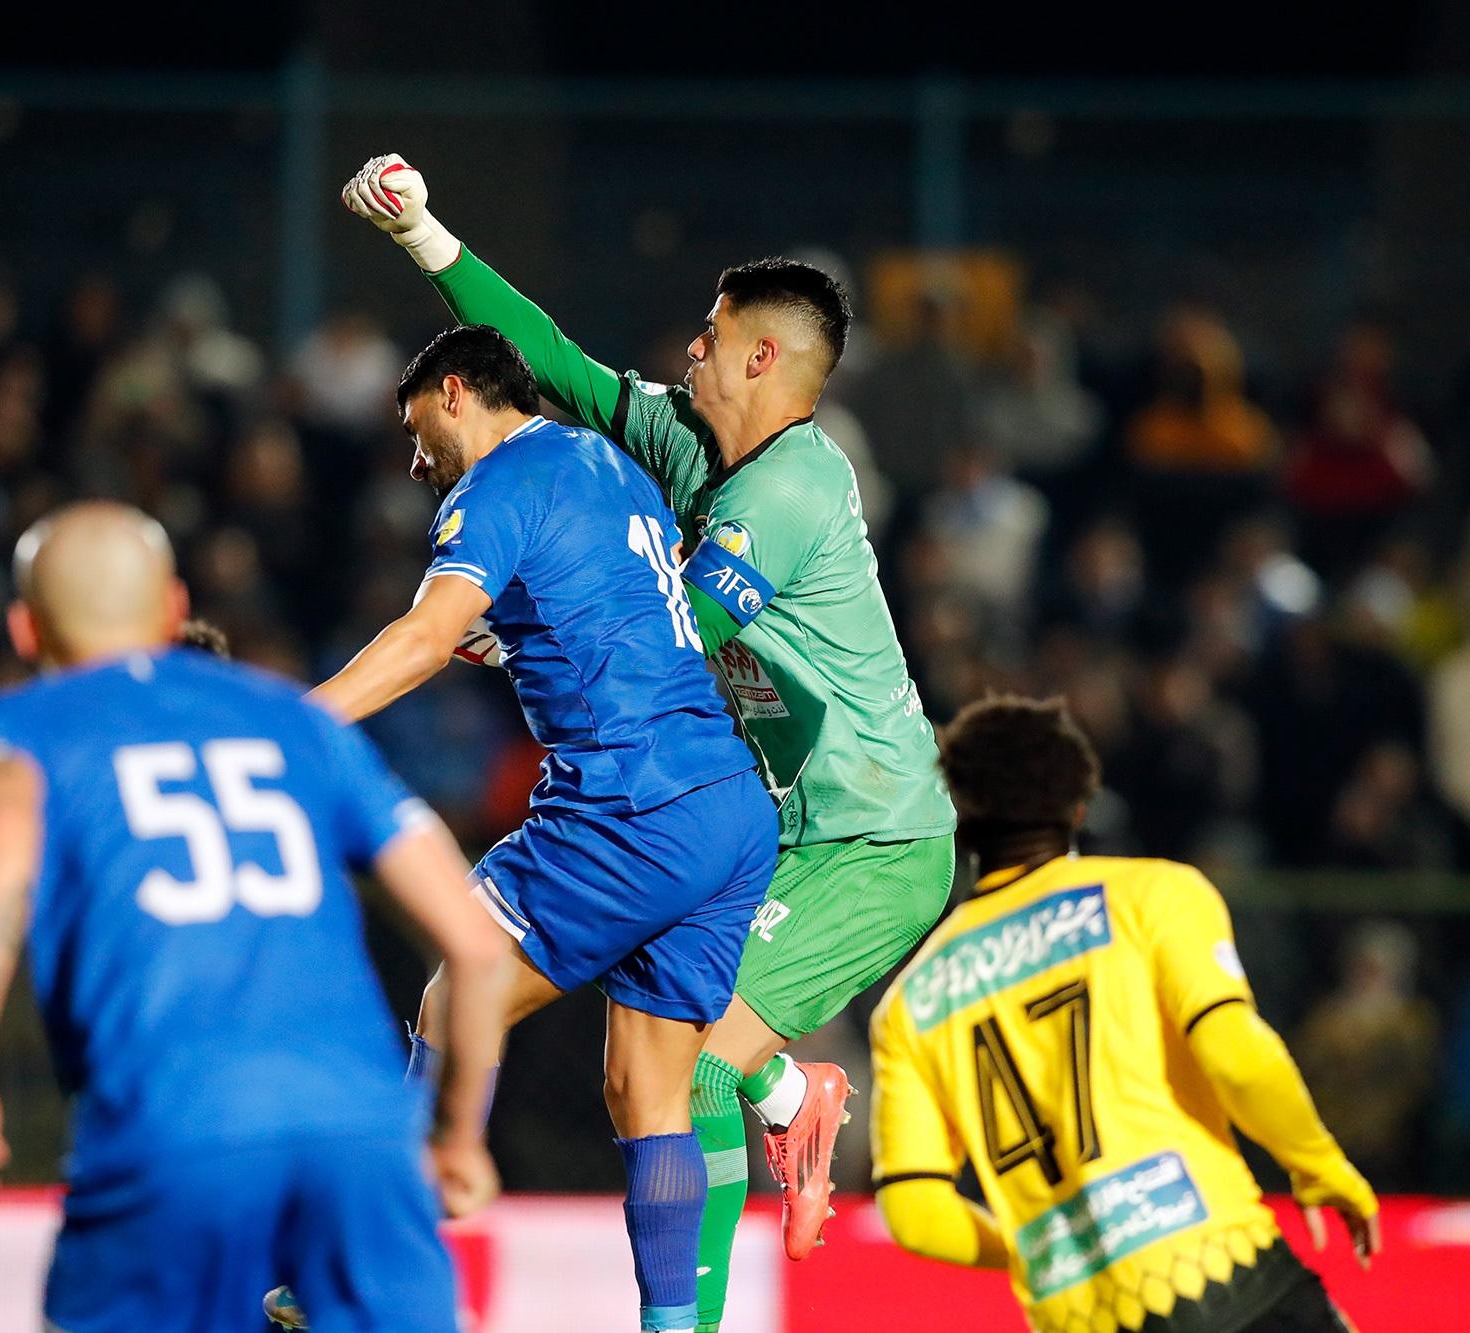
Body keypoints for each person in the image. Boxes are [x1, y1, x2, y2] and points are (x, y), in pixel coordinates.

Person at [344, 154, 957, 1329]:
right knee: (639, 1083)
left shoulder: (792, 491)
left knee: (695, 1065)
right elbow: (551, 363)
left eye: (710, 336)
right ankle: (783, 1106)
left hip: (870, 838)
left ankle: (718, 1233)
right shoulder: (686, 443)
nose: (689, 349)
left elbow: (678, 632)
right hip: (757, 819)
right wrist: (423, 231)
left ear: (762, 360)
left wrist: (499, 626)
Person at [277, 326, 776, 1333]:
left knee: (450, 996)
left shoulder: (495, 485)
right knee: (646, 1091)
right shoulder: (606, 465)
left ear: (455, 392)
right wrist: (511, 635)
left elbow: (424, 637)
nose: (415, 461)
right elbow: (615, 608)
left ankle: (362, 1268)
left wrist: (287, 727)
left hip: (624, 805)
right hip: (725, 804)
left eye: (416, 430)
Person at [0, 501, 507, 1333]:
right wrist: (456, 1135)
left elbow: (3, 832)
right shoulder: (297, 721)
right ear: (173, 607)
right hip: (361, 1129)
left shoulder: (18, 731)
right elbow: (476, 946)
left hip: (174, 1122)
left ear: (24, 629)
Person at [870, 695, 1379, 1333]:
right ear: (1080, 806)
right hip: (1215, 1270)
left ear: (961, 822)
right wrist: (1318, 1164)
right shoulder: (1152, 895)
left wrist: (1042, 1255)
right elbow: (1237, 1055)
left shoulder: (909, 1003)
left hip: (1076, 1314)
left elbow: (915, 1212)